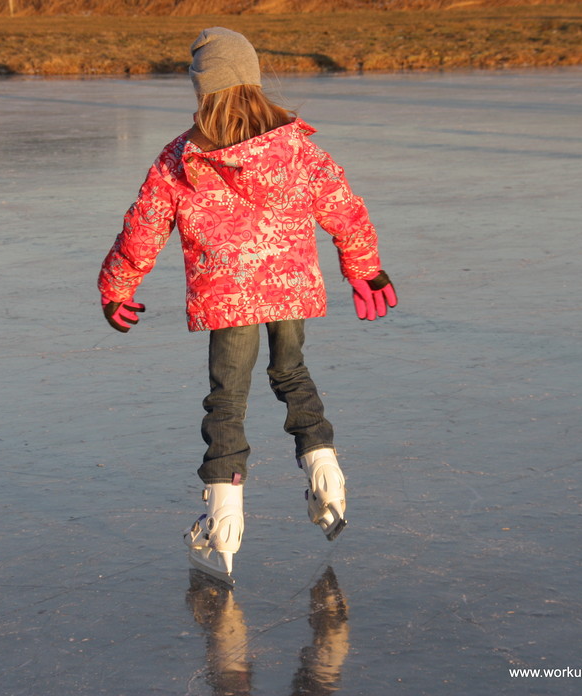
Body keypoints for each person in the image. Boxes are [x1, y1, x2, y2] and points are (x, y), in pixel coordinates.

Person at [98, 27, 397, 584]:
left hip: (228, 297)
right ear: (253, 78)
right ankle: (325, 470)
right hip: (288, 288)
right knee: (292, 373)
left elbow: (144, 227)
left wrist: (118, 287)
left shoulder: (181, 158)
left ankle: (224, 515)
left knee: (227, 402)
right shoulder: (296, 146)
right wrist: (364, 267)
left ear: (202, 87)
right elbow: (343, 206)